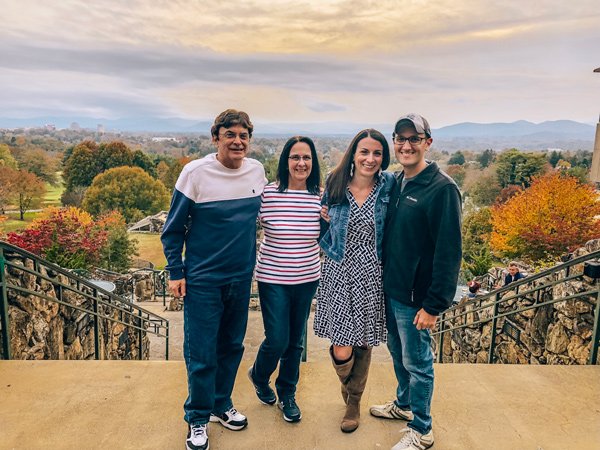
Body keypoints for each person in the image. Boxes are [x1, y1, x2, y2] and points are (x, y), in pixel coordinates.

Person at [161, 109, 267, 450]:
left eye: (243, 135)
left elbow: (268, 213)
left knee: (232, 347)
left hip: (240, 278)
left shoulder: (256, 170)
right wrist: (176, 272)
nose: (238, 141)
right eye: (230, 135)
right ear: (215, 138)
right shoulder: (195, 173)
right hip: (204, 280)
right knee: (202, 352)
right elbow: (173, 229)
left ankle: (221, 404)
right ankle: (197, 416)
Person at [369, 114, 462, 450]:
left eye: (414, 138)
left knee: (418, 364)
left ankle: (422, 430)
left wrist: (434, 305)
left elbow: (449, 252)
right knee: (398, 354)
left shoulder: (442, 189)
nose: (406, 145)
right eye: (401, 138)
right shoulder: (396, 182)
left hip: (417, 300)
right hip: (392, 292)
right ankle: (404, 405)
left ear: (428, 142)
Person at [314, 128, 394, 433]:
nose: (370, 159)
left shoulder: (388, 187)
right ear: (354, 153)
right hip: (339, 272)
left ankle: (353, 402)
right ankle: (348, 388)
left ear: (383, 158)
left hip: (373, 272)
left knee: (363, 342)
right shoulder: (335, 183)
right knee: (342, 347)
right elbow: (321, 229)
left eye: (377, 153)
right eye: (364, 152)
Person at [248, 136, 322, 423]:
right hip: (273, 278)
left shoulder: (321, 197)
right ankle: (259, 374)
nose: (301, 163)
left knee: (295, 342)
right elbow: (243, 226)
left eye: (306, 158)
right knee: (277, 339)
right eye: (295, 157)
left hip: (306, 279)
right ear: (286, 161)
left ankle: (287, 393)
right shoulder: (268, 194)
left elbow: (331, 236)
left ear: (313, 162)